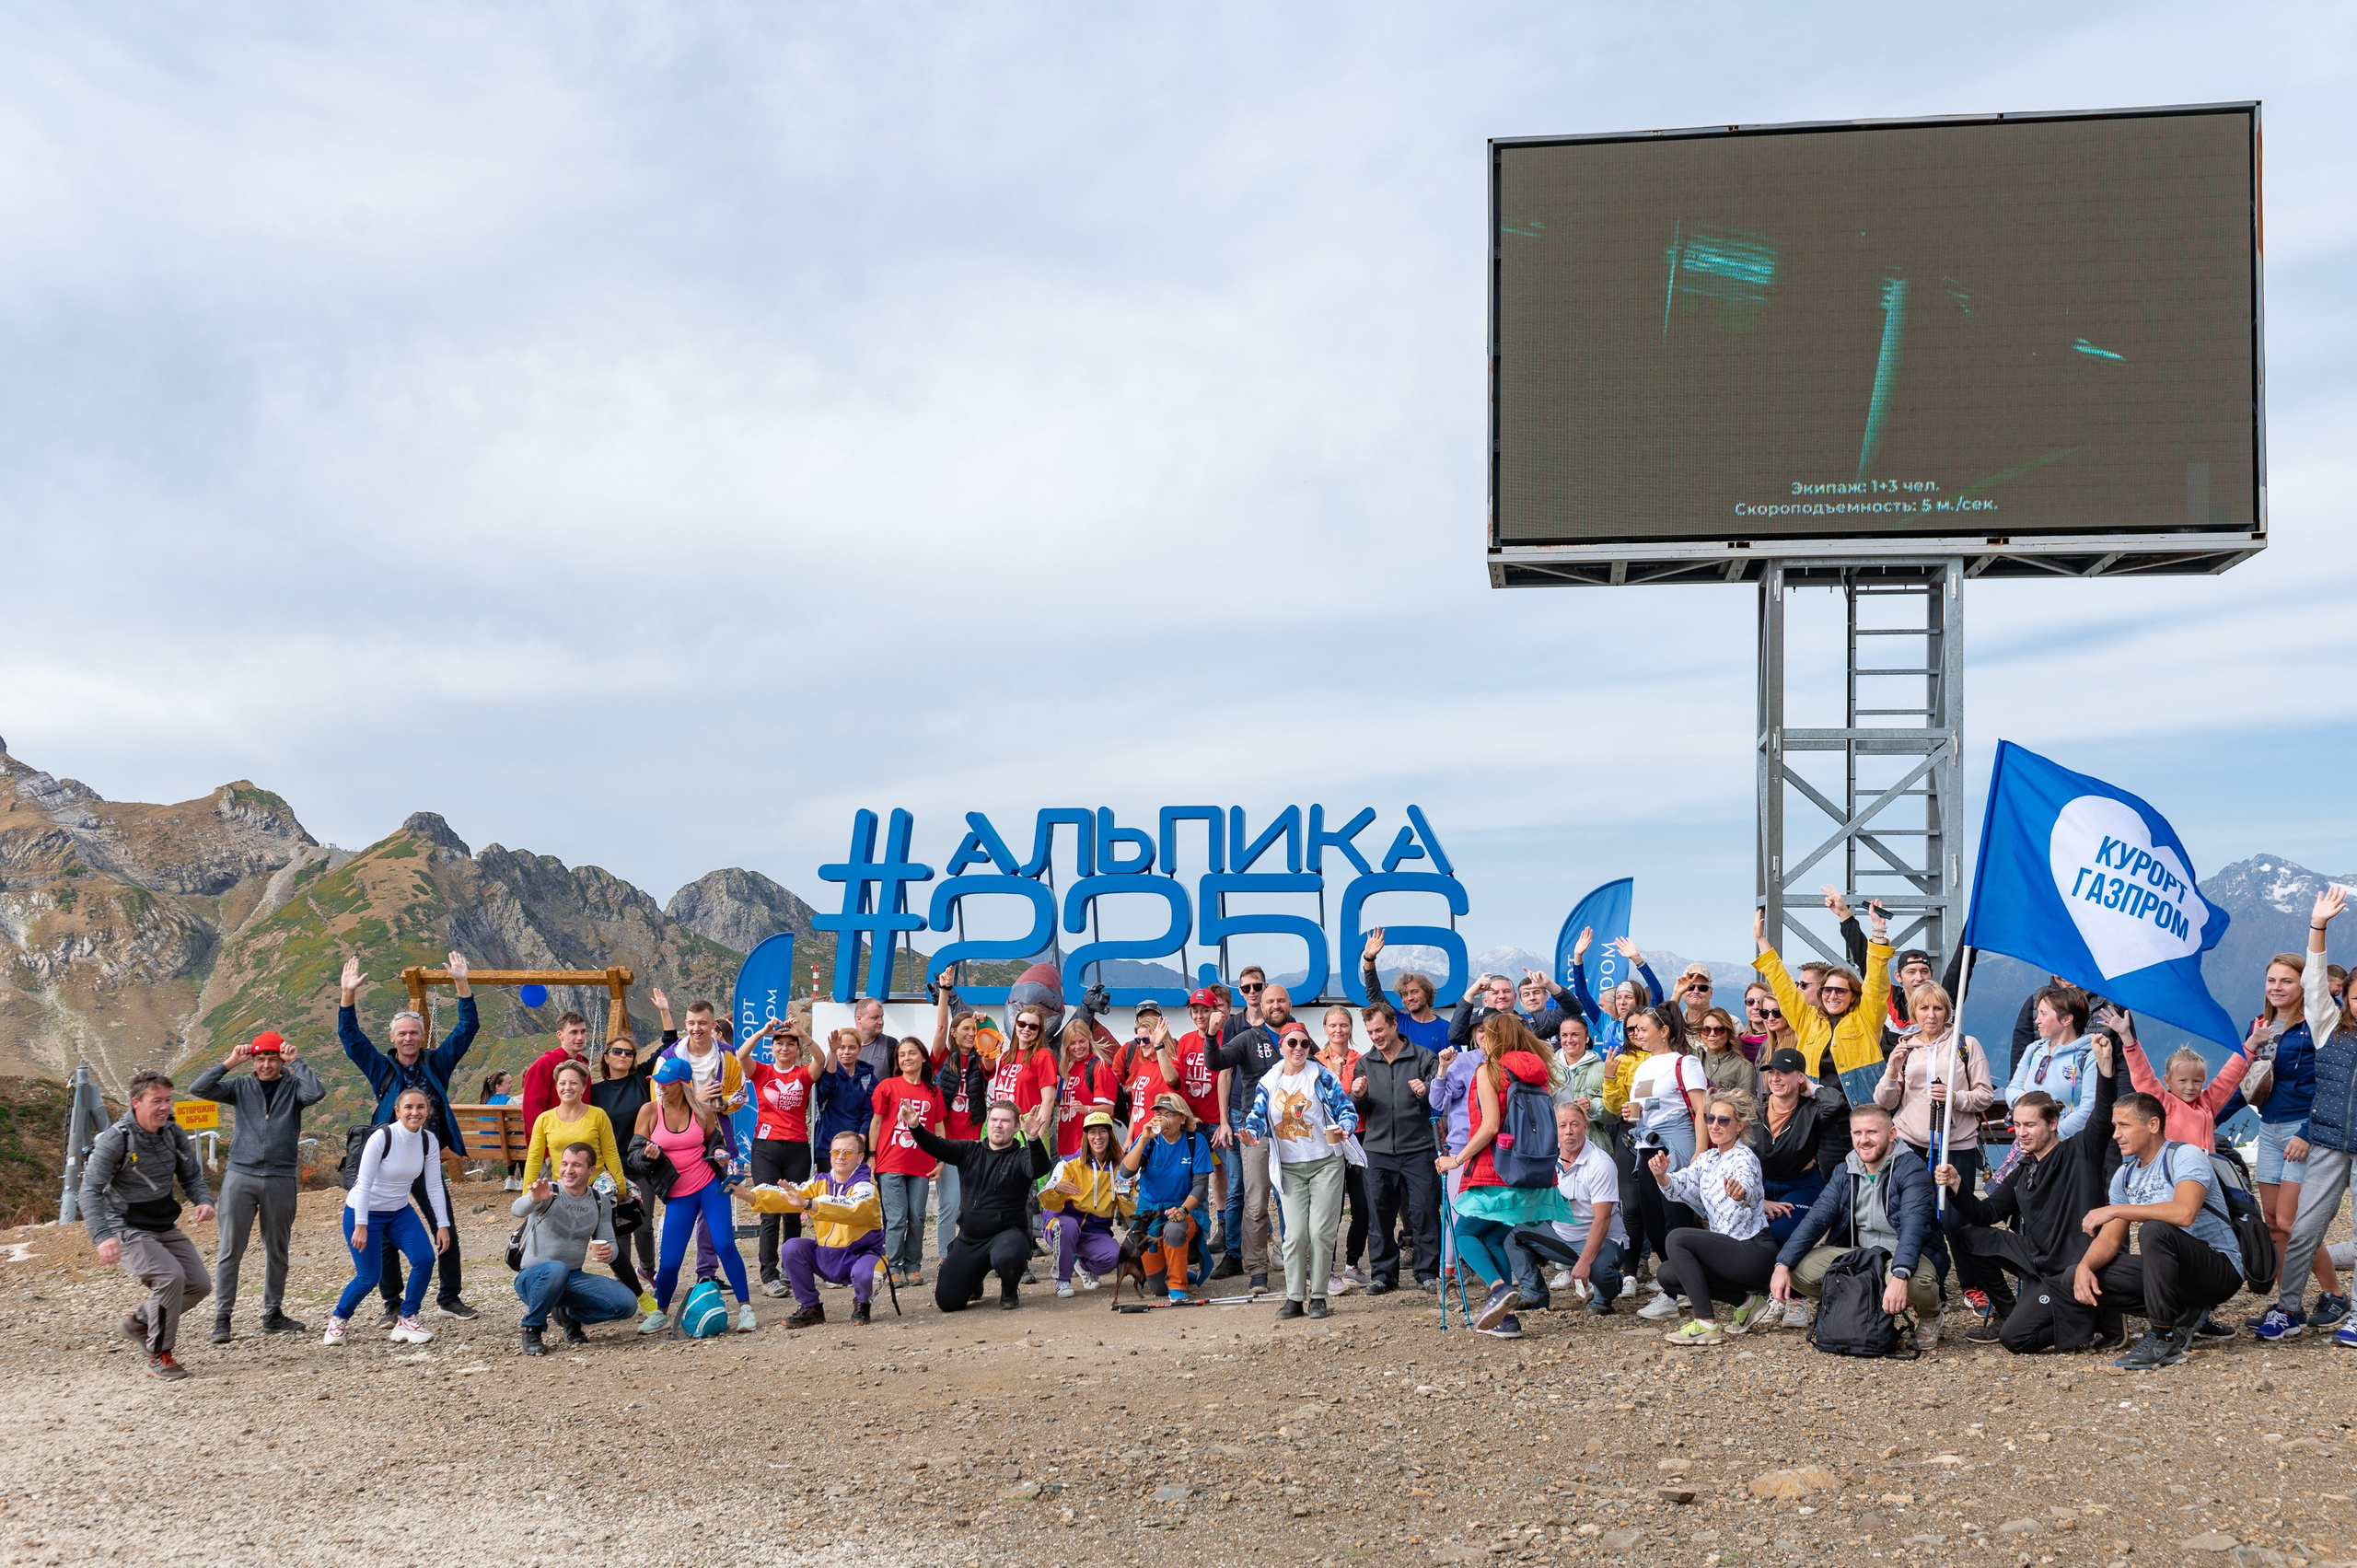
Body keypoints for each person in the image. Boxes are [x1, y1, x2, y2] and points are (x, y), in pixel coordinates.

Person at [1937, 1036, 2123, 1353]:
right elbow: (1986, 1214)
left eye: (2030, 1125)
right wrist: (1956, 1186)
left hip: (2074, 1263)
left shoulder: (2081, 1151)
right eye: (2018, 1125)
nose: (2021, 1132)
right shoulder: (2023, 1170)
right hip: (2040, 1258)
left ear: (2053, 1123)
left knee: (2016, 1340)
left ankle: (2097, 1316)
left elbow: (2102, 1116)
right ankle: (2009, 1309)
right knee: (1969, 1234)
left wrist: (2105, 1070)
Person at [338, 950, 479, 1322]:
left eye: (414, 1033)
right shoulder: (380, 1068)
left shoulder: (436, 1063)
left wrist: (462, 983)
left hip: (426, 1157)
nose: (408, 1039)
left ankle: (449, 1297)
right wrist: (347, 994)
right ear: (392, 1037)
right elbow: (350, 1037)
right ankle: (392, 1304)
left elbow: (466, 1032)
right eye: (402, 1033)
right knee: (384, 1236)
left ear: (422, 1035)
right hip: (387, 1162)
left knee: (443, 1222)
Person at [2076, 1091, 2251, 1369]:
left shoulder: (2185, 1155)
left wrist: (2116, 1209)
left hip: (2219, 1269)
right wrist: (2083, 1267)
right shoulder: (2125, 1175)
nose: (2115, 1134)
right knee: (2075, 1277)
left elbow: (2184, 1213)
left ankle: (2162, 1336)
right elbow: (2110, 1240)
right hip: (2171, 1272)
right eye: (2114, 1126)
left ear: (2153, 1125)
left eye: (2124, 1125)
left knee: (2155, 1230)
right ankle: (2185, 1314)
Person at [2258, 886, 2357, 1342]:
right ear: (2347, 999)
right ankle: (2288, 1308)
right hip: (2330, 1141)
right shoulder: (2330, 1029)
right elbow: (2313, 981)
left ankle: (2351, 1313)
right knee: (2302, 1228)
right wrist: (2317, 927)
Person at [1771, 1101, 1945, 1350]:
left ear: (1891, 1134)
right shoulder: (1845, 1171)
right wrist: (1782, 1263)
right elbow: (1818, 1218)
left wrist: (1900, 1273)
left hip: (1905, 1253)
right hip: (1862, 1255)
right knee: (1796, 1269)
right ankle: (1857, 1306)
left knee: (1917, 1284)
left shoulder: (1911, 1169)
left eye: (1872, 1132)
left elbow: (1913, 1227)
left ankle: (1931, 1315)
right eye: (1858, 1133)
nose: (1864, 1140)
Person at [1436, 1015, 1568, 1340]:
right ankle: (1507, 1320)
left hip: (1494, 1169)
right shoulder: (1537, 1070)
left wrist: (1457, 1159)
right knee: (1494, 1238)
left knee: (1464, 1232)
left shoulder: (1489, 1070)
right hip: (1530, 1169)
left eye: (1485, 1034)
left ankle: (1497, 1290)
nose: (1481, 1039)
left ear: (1494, 1037)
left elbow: (1490, 1126)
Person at [81, 1072, 216, 1380]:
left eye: (168, 1100)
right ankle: (160, 1355)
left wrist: (202, 1200)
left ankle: (140, 1322)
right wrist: (103, 1236)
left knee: (199, 1284)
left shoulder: (173, 1133)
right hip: (124, 1226)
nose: (165, 1107)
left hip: (163, 1223)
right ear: (136, 1103)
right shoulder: (118, 1139)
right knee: (169, 1277)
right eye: (157, 1101)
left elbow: (191, 1176)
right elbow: (88, 1191)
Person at [190, 1029, 322, 1342]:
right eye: (261, 1058)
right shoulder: (239, 1086)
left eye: (272, 1059)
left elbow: (315, 1093)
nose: (266, 1065)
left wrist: (299, 1061)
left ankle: (272, 1314)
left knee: (277, 1249)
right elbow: (199, 1088)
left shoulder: (293, 1087)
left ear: (281, 1059)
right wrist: (229, 1063)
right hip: (240, 1175)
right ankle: (222, 1319)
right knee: (230, 1249)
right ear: (253, 1060)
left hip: (280, 1176)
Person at [2242, 944, 2344, 1336]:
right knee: (2274, 1225)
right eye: (2272, 980)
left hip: (2302, 1130)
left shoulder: (2316, 1026)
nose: (2277, 987)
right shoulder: (2259, 1025)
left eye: (2287, 980)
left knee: (2292, 1221)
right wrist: (2202, 1118)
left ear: (2304, 985)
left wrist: (2307, 1132)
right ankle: (2289, 1306)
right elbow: (2246, 1080)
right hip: (2268, 1129)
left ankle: (2334, 1294)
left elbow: (2331, 1084)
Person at [1241, 1023, 1361, 1319]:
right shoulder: (1269, 1081)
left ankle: (1318, 1296)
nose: (1298, 1049)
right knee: (1293, 1235)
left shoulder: (1320, 1075)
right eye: (1292, 1043)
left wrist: (1345, 1128)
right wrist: (1251, 1133)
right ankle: (1294, 1297)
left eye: (1304, 1044)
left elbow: (1347, 1110)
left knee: (1320, 1231)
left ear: (1310, 1047)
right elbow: (1257, 1114)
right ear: (1281, 1047)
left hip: (1325, 1162)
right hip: (1290, 1167)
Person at [633, 1054, 756, 1336]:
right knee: (672, 1261)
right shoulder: (650, 1111)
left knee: (725, 1244)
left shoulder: (702, 1110)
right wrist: (647, 1157)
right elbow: (634, 1155)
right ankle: (661, 1313)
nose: (661, 1087)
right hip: (678, 1193)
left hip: (710, 1185)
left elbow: (715, 1142)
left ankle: (746, 1308)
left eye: (667, 1083)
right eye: (658, 1082)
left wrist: (721, 1154)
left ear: (683, 1084)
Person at [327, 1087, 450, 1348]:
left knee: (425, 1258)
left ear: (427, 1112)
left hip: (398, 1211)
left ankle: (407, 1319)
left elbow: (434, 1186)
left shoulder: (428, 1140)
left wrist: (442, 1225)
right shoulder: (382, 1138)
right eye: (408, 1108)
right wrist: (360, 1225)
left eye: (420, 1107)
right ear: (398, 1111)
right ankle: (338, 1320)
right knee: (369, 1276)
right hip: (365, 1211)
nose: (414, 1113)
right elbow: (363, 1183)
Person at [1649, 1088, 1774, 1344]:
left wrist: (1741, 1193)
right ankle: (1748, 1303)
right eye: (1710, 1118)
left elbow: (1747, 1184)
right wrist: (1662, 1175)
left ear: (1739, 1126)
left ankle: (1706, 1324)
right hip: (1727, 1253)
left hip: (1752, 1253)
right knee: (1667, 1274)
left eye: (1723, 1120)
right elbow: (1679, 1186)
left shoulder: (1744, 1157)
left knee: (1678, 1238)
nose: (1715, 1125)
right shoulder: (1708, 1158)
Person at [911, 1099, 1056, 1311]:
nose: (998, 1125)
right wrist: (915, 1127)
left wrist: (1033, 1138)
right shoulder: (970, 1150)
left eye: (1005, 1121)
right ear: (987, 1124)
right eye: (994, 1120)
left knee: (1008, 1255)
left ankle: (1009, 1290)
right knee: (948, 1302)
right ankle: (974, 1280)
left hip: (1008, 1234)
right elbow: (936, 1145)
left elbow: (1039, 1168)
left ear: (1016, 1127)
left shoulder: (1022, 1155)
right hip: (971, 1238)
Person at [1743, 1045, 1852, 1327]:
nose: (1776, 1079)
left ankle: (1796, 1300)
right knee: (1756, 1232)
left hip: (1802, 1185)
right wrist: (1759, 1200)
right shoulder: (1757, 1109)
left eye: (1785, 1073)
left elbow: (1837, 1103)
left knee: (1784, 1231)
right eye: (1772, 1073)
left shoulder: (1813, 1109)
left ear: (1800, 1076)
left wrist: (1813, 1089)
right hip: (1764, 1186)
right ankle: (1764, 1291)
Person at [1612, 1005, 1709, 1317]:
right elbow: (1644, 1107)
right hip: (1645, 1143)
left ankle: (1678, 1292)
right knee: (1652, 1217)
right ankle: (1674, 1283)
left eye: (1643, 1027)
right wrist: (1631, 1112)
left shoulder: (1686, 1062)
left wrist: (1700, 1151)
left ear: (1664, 1031)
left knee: (1675, 1217)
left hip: (1675, 1144)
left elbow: (1701, 1109)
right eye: (1635, 1028)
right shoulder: (1643, 1066)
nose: (1637, 1032)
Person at [1204, 981, 1301, 1291]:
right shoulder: (1248, 1038)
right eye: (1270, 1000)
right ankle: (1257, 1268)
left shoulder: (1299, 1038)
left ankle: (1296, 1264)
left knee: (1292, 1201)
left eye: (1281, 1000)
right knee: (1256, 1201)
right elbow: (1216, 1062)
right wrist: (1210, 1035)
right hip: (1256, 1131)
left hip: (1292, 1132)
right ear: (1263, 1004)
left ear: (1288, 1004)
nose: (1275, 1005)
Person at [1753, 901, 1894, 1109]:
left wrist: (1879, 932)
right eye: (1827, 990)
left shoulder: (1866, 1017)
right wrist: (1761, 940)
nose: (1832, 996)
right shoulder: (1807, 1019)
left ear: (1854, 996)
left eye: (1840, 991)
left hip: (1859, 1112)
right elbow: (1782, 985)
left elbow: (1877, 983)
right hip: (1815, 1111)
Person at [1349, 999, 1442, 1296]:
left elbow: (1440, 1103)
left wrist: (1425, 1093)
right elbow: (1359, 1110)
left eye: (1379, 1029)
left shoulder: (1424, 1057)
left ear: (1393, 1025)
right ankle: (1383, 1274)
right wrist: (1358, 1096)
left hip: (1419, 1148)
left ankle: (1427, 1272)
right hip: (1377, 1150)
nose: (1376, 1036)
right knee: (1379, 1214)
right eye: (1370, 1032)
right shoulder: (1365, 1062)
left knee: (1425, 1211)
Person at [511, 1142, 637, 1354]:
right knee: (556, 1269)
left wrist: (610, 1252)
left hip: (571, 1278)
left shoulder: (599, 1202)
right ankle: (532, 1329)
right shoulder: (547, 1191)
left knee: (627, 1304)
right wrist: (533, 1199)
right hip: (532, 1278)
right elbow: (516, 1210)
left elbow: (611, 1243)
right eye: (564, 1164)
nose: (568, 1170)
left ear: (590, 1170)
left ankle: (569, 1315)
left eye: (576, 1165)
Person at [749, 1131, 885, 1329]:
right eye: (835, 1152)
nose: (840, 1157)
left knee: (868, 1275)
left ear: (860, 1157)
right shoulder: (819, 1181)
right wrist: (751, 1197)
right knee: (792, 1247)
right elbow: (790, 1196)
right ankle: (811, 1308)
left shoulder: (867, 1186)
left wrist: (809, 1204)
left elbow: (852, 1209)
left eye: (847, 1153)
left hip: (860, 1255)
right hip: (827, 1255)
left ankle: (862, 1304)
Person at [1510, 1101, 1626, 1315]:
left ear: (1585, 1127)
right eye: (1562, 1126)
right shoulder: (1548, 1157)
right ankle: (1534, 1293)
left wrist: (1583, 1263)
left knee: (1601, 1272)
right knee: (1509, 1231)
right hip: (1561, 1236)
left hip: (1602, 1240)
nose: (1568, 1131)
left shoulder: (1601, 1163)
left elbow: (1603, 1220)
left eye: (1574, 1124)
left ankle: (1609, 1290)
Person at [738, 1015, 819, 1297]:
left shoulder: (802, 1074)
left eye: (790, 1044)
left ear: (797, 1049)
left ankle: (791, 1269)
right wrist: (763, 1030)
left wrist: (803, 1034)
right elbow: (741, 1055)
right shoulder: (761, 1072)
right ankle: (768, 1275)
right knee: (769, 1213)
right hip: (765, 1149)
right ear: (772, 1047)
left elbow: (821, 1061)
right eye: (779, 1044)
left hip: (797, 1147)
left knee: (794, 1211)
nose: (784, 1048)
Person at [589, 1028, 661, 1316]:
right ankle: (624, 1280)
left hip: (641, 1164)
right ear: (606, 1058)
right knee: (618, 1226)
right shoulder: (595, 1092)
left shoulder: (641, 1080)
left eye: (629, 1052)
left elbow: (667, 1045)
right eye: (617, 1052)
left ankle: (647, 1270)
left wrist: (666, 1013)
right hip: (610, 1167)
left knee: (643, 1224)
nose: (623, 1056)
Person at [1121, 1094, 1216, 1303]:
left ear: (1182, 1118)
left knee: (1174, 1229)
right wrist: (1143, 1139)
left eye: (1170, 1114)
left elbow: (1200, 1185)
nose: (1162, 1119)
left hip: (1182, 1207)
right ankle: (1180, 1273)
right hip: (1149, 1213)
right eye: (1159, 1114)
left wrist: (1183, 1210)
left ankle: (1178, 1285)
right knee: (1157, 1288)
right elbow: (1126, 1172)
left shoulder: (1195, 1141)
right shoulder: (1149, 1140)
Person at [2113, 1008, 2252, 1148]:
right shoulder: (2163, 1104)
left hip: (2204, 1168)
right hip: (2173, 1169)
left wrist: (2251, 1046)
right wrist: (2126, 1037)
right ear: (2167, 1081)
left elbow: (2228, 1078)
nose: (2190, 1087)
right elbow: (2143, 1075)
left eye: (2197, 1081)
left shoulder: (2208, 1104)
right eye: (2182, 1081)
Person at [869, 1036, 945, 1288]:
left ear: (923, 1057)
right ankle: (893, 1266)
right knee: (897, 1217)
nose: (907, 1058)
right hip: (890, 1163)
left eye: (912, 1053)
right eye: (902, 1055)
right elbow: (877, 1122)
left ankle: (913, 1265)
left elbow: (939, 1127)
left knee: (917, 1217)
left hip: (921, 1164)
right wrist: (871, 1155)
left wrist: (942, 1159)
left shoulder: (933, 1092)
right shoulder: (888, 1086)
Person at [1040, 1111, 1132, 1295]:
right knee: (1067, 1226)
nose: (1097, 1137)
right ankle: (1063, 1281)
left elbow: (1131, 1212)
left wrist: (1127, 1196)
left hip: (1096, 1230)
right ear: (1085, 1136)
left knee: (1114, 1256)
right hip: (1063, 1223)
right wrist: (1057, 1190)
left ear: (1110, 1135)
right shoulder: (1068, 1164)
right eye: (1092, 1132)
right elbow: (1045, 1200)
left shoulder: (1120, 1168)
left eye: (1102, 1131)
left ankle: (1082, 1265)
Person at [932, 998, 991, 1272]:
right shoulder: (943, 1057)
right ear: (954, 1033)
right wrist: (944, 991)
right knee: (951, 1203)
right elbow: (942, 1024)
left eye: (973, 1030)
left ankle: (972, 1253)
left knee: (973, 1205)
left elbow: (992, 1058)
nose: (970, 1033)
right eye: (964, 1028)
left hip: (974, 1143)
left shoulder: (982, 1058)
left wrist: (986, 1025)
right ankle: (945, 1255)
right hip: (947, 1144)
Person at [1316, 1004, 1371, 1291]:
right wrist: (1334, 1075)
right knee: (1331, 1209)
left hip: (1358, 1137)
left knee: (1362, 1206)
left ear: (1351, 1029)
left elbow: (1365, 1101)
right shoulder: (1315, 1061)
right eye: (1333, 1026)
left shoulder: (1361, 1060)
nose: (1339, 1030)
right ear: (1325, 1029)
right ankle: (1327, 1270)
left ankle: (1352, 1264)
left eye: (1344, 1025)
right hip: (1328, 1142)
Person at [521, 1060, 630, 1193]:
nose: (567, 1087)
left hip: (597, 1189)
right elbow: (534, 1159)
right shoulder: (544, 1120)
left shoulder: (598, 1115)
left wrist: (621, 1188)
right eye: (562, 1083)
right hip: (562, 1188)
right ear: (556, 1087)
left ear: (583, 1087)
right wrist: (526, 1195)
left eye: (573, 1083)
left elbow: (610, 1153)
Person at [2003, 983, 2096, 1137]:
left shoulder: (2088, 1056)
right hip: (2032, 1141)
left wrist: (2053, 1135)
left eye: (2043, 1014)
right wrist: (2030, 1107)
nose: (2037, 1020)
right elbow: (2013, 1089)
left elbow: (2089, 1107)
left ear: (2066, 1019)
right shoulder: (2033, 1050)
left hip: (2070, 1143)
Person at [1565, 929, 1666, 1055]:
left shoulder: (1649, 1021)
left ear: (1639, 999)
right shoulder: (1607, 1024)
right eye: (1618, 998)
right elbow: (1582, 994)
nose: (1622, 1002)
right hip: (1611, 1075)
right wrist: (1578, 957)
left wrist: (1638, 960)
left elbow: (1657, 992)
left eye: (1628, 997)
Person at [1361, 931, 1453, 1054]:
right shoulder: (1397, 1021)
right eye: (1405, 994)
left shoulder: (1446, 1029)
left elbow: (1456, 1067)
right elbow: (1374, 995)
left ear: (1427, 993)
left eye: (1414, 992)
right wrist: (1369, 958)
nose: (1409, 998)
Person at [517, 1011, 593, 1156]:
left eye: (583, 1031)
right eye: (574, 1032)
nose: (580, 1037)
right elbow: (532, 1112)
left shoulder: (582, 1066)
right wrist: (545, 1152)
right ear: (560, 1035)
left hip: (580, 1147)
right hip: (553, 1150)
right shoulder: (544, 1064)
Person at [1052, 1018, 1120, 1159]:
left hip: (1087, 1147)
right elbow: (1065, 1105)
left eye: (1082, 1041)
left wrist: (1087, 1109)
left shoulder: (1098, 1067)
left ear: (1089, 1040)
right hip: (1066, 1143)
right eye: (1072, 1043)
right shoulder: (1067, 1068)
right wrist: (1056, 1096)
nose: (1078, 1046)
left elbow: (1109, 1109)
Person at [814, 1027, 880, 1164]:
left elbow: (870, 1113)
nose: (846, 1052)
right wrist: (832, 1053)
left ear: (859, 1049)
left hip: (856, 1147)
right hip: (828, 1147)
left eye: (852, 1047)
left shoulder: (868, 1079)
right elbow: (826, 1089)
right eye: (841, 1047)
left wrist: (861, 1138)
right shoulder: (826, 1073)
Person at [1693, 1006, 1758, 1099]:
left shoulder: (1744, 1068)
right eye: (1706, 1030)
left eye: (1719, 1030)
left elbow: (1746, 1107)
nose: (1712, 1034)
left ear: (1728, 1032)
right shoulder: (1694, 1058)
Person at [849, 996, 897, 1081]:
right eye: (875, 1018)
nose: (881, 1022)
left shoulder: (892, 1045)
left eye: (881, 1017)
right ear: (859, 1019)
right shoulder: (841, 1046)